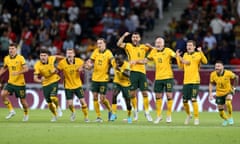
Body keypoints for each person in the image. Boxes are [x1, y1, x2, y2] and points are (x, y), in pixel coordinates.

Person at [117, 32, 152, 122]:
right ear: (131, 38)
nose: (135, 39)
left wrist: (151, 47)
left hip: (142, 73)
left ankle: (147, 112)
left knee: (145, 93)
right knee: (132, 94)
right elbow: (118, 44)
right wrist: (124, 36)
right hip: (132, 73)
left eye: (137, 37)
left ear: (139, 38)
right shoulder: (128, 46)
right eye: (133, 37)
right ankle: (135, 112)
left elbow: (152, 56)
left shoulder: (144, 47)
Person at [176, 40, 208, 125]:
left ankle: (196, 118)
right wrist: (177, 57)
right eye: (187, 45)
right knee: (184, 101)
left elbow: (204, 62)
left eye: (190, 45)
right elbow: (180, 67)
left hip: (195, 81)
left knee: (193, 99)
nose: (188, 47)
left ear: (194, 47)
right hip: (186, 81)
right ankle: (189, 115)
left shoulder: (197, 55)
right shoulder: (185, 55)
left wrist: (201, 52)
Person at [146, 37, 175, 124]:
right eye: (157, 42)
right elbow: (147, 59)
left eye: (160, 42)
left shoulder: (168, 50)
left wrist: (178, 56)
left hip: (168, 77)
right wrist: (136, 61)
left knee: (169, 96)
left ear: (163, 43)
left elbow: (175, 56)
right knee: (158, 97)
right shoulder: (153, 51)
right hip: (158, 78)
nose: (158, 44)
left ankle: (169, 116)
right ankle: (159, 116)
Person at [57, 48, 89, 122]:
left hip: (77, 85)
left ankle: (86, 117)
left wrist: (83, 68)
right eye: (68, 53)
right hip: (68, 86)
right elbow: (57, 70)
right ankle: (73, 112)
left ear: (74, 54)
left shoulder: (79, 61)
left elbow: (87, 67)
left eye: (71, 53)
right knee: (70, 104)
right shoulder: (62, 63)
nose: (69, 55)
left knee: (83, 102)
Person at [85, 38, 113, 122]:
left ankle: (110, 110)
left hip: (103, 78)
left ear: (105, 44)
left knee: (102, 99)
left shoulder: (108, 53)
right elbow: (90, 61)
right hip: (95, 78)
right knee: (94, 97)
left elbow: (113, 61)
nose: (99, 45)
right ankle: (98, 117)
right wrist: (88, 65)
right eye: (98, 43)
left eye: (100, 43)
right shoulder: (95, 52)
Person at [0, 43, 29, 121]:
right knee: (3, 94)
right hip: (11, 83)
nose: (11, 50)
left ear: (16, 49)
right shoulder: (6, 58)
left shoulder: (20, 58)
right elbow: (4, 68)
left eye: (13, 49)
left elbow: (26, 69)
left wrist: (18, 72)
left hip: (20, 84)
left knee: (23, 102)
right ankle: (12, 111)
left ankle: (26, 114)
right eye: (10, 49)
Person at [33, 48, 63, 122]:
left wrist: (58, 67)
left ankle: (58, 108)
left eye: (44, 55)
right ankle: (55, 115)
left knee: (53, 97)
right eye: (41, 55)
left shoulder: (52, 58)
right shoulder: (37, 65)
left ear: (48, 56)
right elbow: (35, 78)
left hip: (54, 81)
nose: (43, 57)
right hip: (45, 84)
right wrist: (40, 80)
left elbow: (62, 58)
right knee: (49, 103)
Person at [209, 61, 239, 126]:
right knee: (221, 113)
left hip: (228, 91)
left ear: (222, 67)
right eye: (216, 66)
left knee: (228, 103)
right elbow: (211, 83)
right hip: (219, 93)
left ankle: (230, 117)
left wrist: (234, 88)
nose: (217, 68)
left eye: (218, 66)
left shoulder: (228, 73)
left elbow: (236, 77)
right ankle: (225, 119)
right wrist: (210, 93)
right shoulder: (213, 74)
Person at [109, 54, 132, 123]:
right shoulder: (114, 62)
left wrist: (120, 70)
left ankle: (129, 117)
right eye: (116, 60)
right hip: (117, 82)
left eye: (119, 60)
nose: (117, 62)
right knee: (114, 95)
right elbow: (110, 58)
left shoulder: (126, 64)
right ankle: (114, 114)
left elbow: (128, 75)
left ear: (123, 60)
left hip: (126, 84)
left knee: (128, 101)